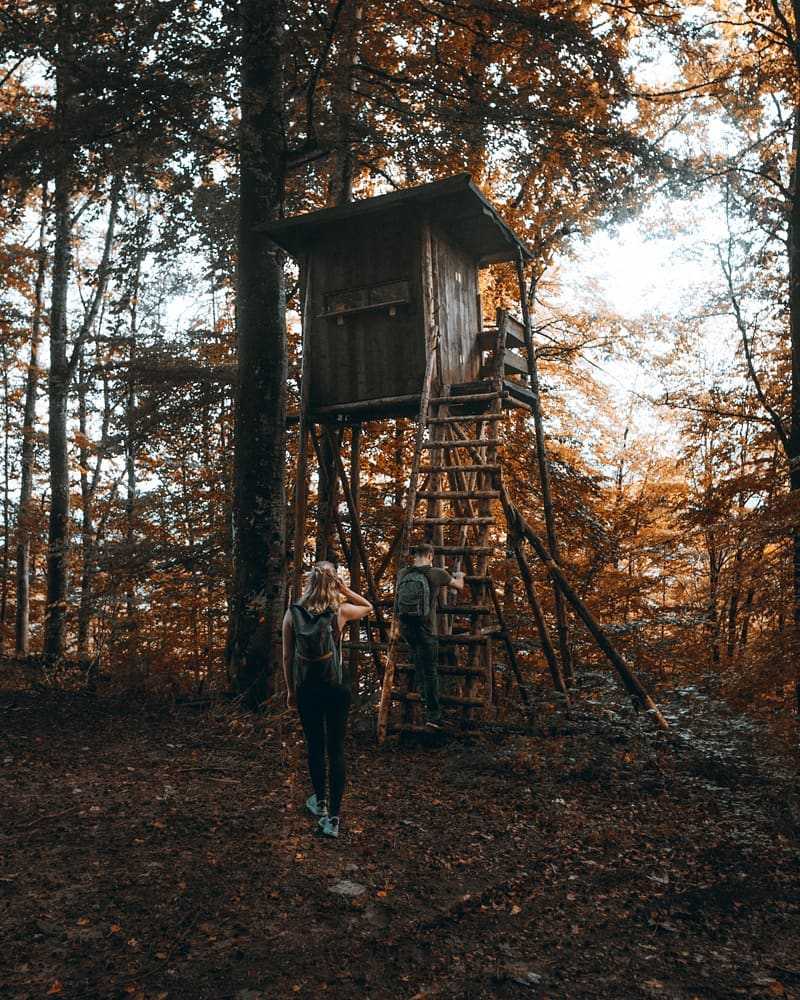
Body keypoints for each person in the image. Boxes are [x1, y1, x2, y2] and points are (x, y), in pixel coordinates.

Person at [282, 561, 372, 839]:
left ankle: (319, 803)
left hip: (307, 689)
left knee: (314, 746)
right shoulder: (340, 611)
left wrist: (290, 691)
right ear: (333, 584)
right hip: (336, 689)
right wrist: (345, 589)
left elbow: (287, 657)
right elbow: (368, 606)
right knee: (336, 750)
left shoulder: (292, 613)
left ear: (308, 583)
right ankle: (333, 819)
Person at [395, 542, 464, 729]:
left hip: (406, 629)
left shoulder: (402, 573)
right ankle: (433, 716)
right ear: (431, 556)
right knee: (430, 671)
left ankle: (419, 709)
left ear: (415, 555)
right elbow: (459, 586)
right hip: (427, 628)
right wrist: (459, 575)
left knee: (418, 664)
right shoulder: (437, 573)